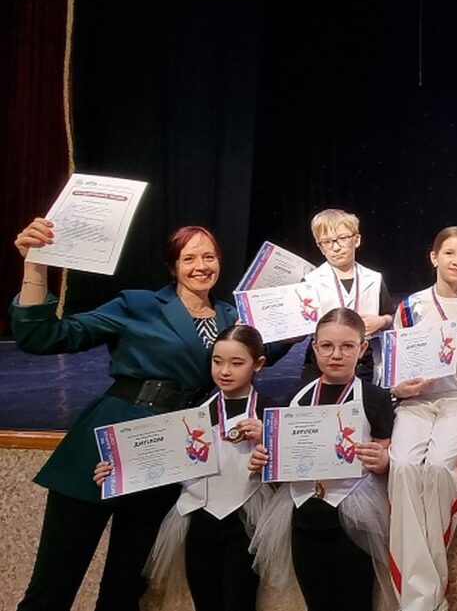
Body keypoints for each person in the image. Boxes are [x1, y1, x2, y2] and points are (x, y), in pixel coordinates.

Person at [11, 219, 273, 611]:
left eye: (209, 257)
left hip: (166, 459)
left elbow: (267, 350)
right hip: (104, 449)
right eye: (189, 258)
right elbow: (44, 336)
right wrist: (35, 266)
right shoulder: (138, 304)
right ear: (173, 267)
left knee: (124, 592)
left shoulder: (232, 318)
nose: (201, 266)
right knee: (52, 588)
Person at [93, 325, 273, 611]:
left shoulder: (270, 415)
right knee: (205, 601)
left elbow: (293, 468)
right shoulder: (191, 414)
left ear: (258, 364)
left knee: (240, 601)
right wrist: (116, 471)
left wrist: (269, 442)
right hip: (197, 519)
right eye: (217, 361)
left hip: (246, 521)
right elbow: (156, 460)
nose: (225, 371)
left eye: (237, 363)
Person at [249, 308, 395, 611]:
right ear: (314, 348)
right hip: (303, 511)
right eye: (327, 346)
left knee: (356, 602)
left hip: (357, 516)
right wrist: (266, 458)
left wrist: (383, 460)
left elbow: (386, 455)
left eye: (347, 346)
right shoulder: (296, 399)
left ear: (362, 348)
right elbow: (283, 458)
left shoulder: (376, 398)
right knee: (316, 601)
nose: (336, 354)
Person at [388, 227, 457, 611]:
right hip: (417, 402)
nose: (456, 261)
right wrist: (401, 389)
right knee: (402, 466)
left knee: (439, 468)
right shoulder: (411, 306)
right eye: (449, 253)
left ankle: (427, 592)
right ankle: (420, 595)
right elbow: (393, 369)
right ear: (434, 257)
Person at [302, 208, 394, 385]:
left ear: (356, 240)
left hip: (361, 357)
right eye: (327, 242)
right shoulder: (310, 281)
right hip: (323, 357)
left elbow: (389, 314)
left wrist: (381, 321)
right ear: (320, 247)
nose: (336, 247)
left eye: (343, 238)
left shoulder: (374, 278)